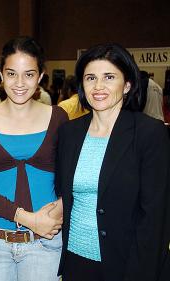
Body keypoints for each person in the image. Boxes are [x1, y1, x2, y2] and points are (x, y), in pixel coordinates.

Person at [56, 43, 170, 281]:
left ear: (127, 84)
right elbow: (64, 194)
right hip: (76, 261)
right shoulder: (70, 133)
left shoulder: (149, 133)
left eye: (109, 77)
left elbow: (155, 217)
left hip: (128, 263)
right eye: (90, 78)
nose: (98, 86)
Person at [0, 36, 68, 281]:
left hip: (45, 242)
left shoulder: (58, 117)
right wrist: (27, 219)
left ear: (41, 76)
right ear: (1, 75)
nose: (20, 83)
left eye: (29, 74)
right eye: (12, 74)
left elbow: (70, 177)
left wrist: (60, 211)